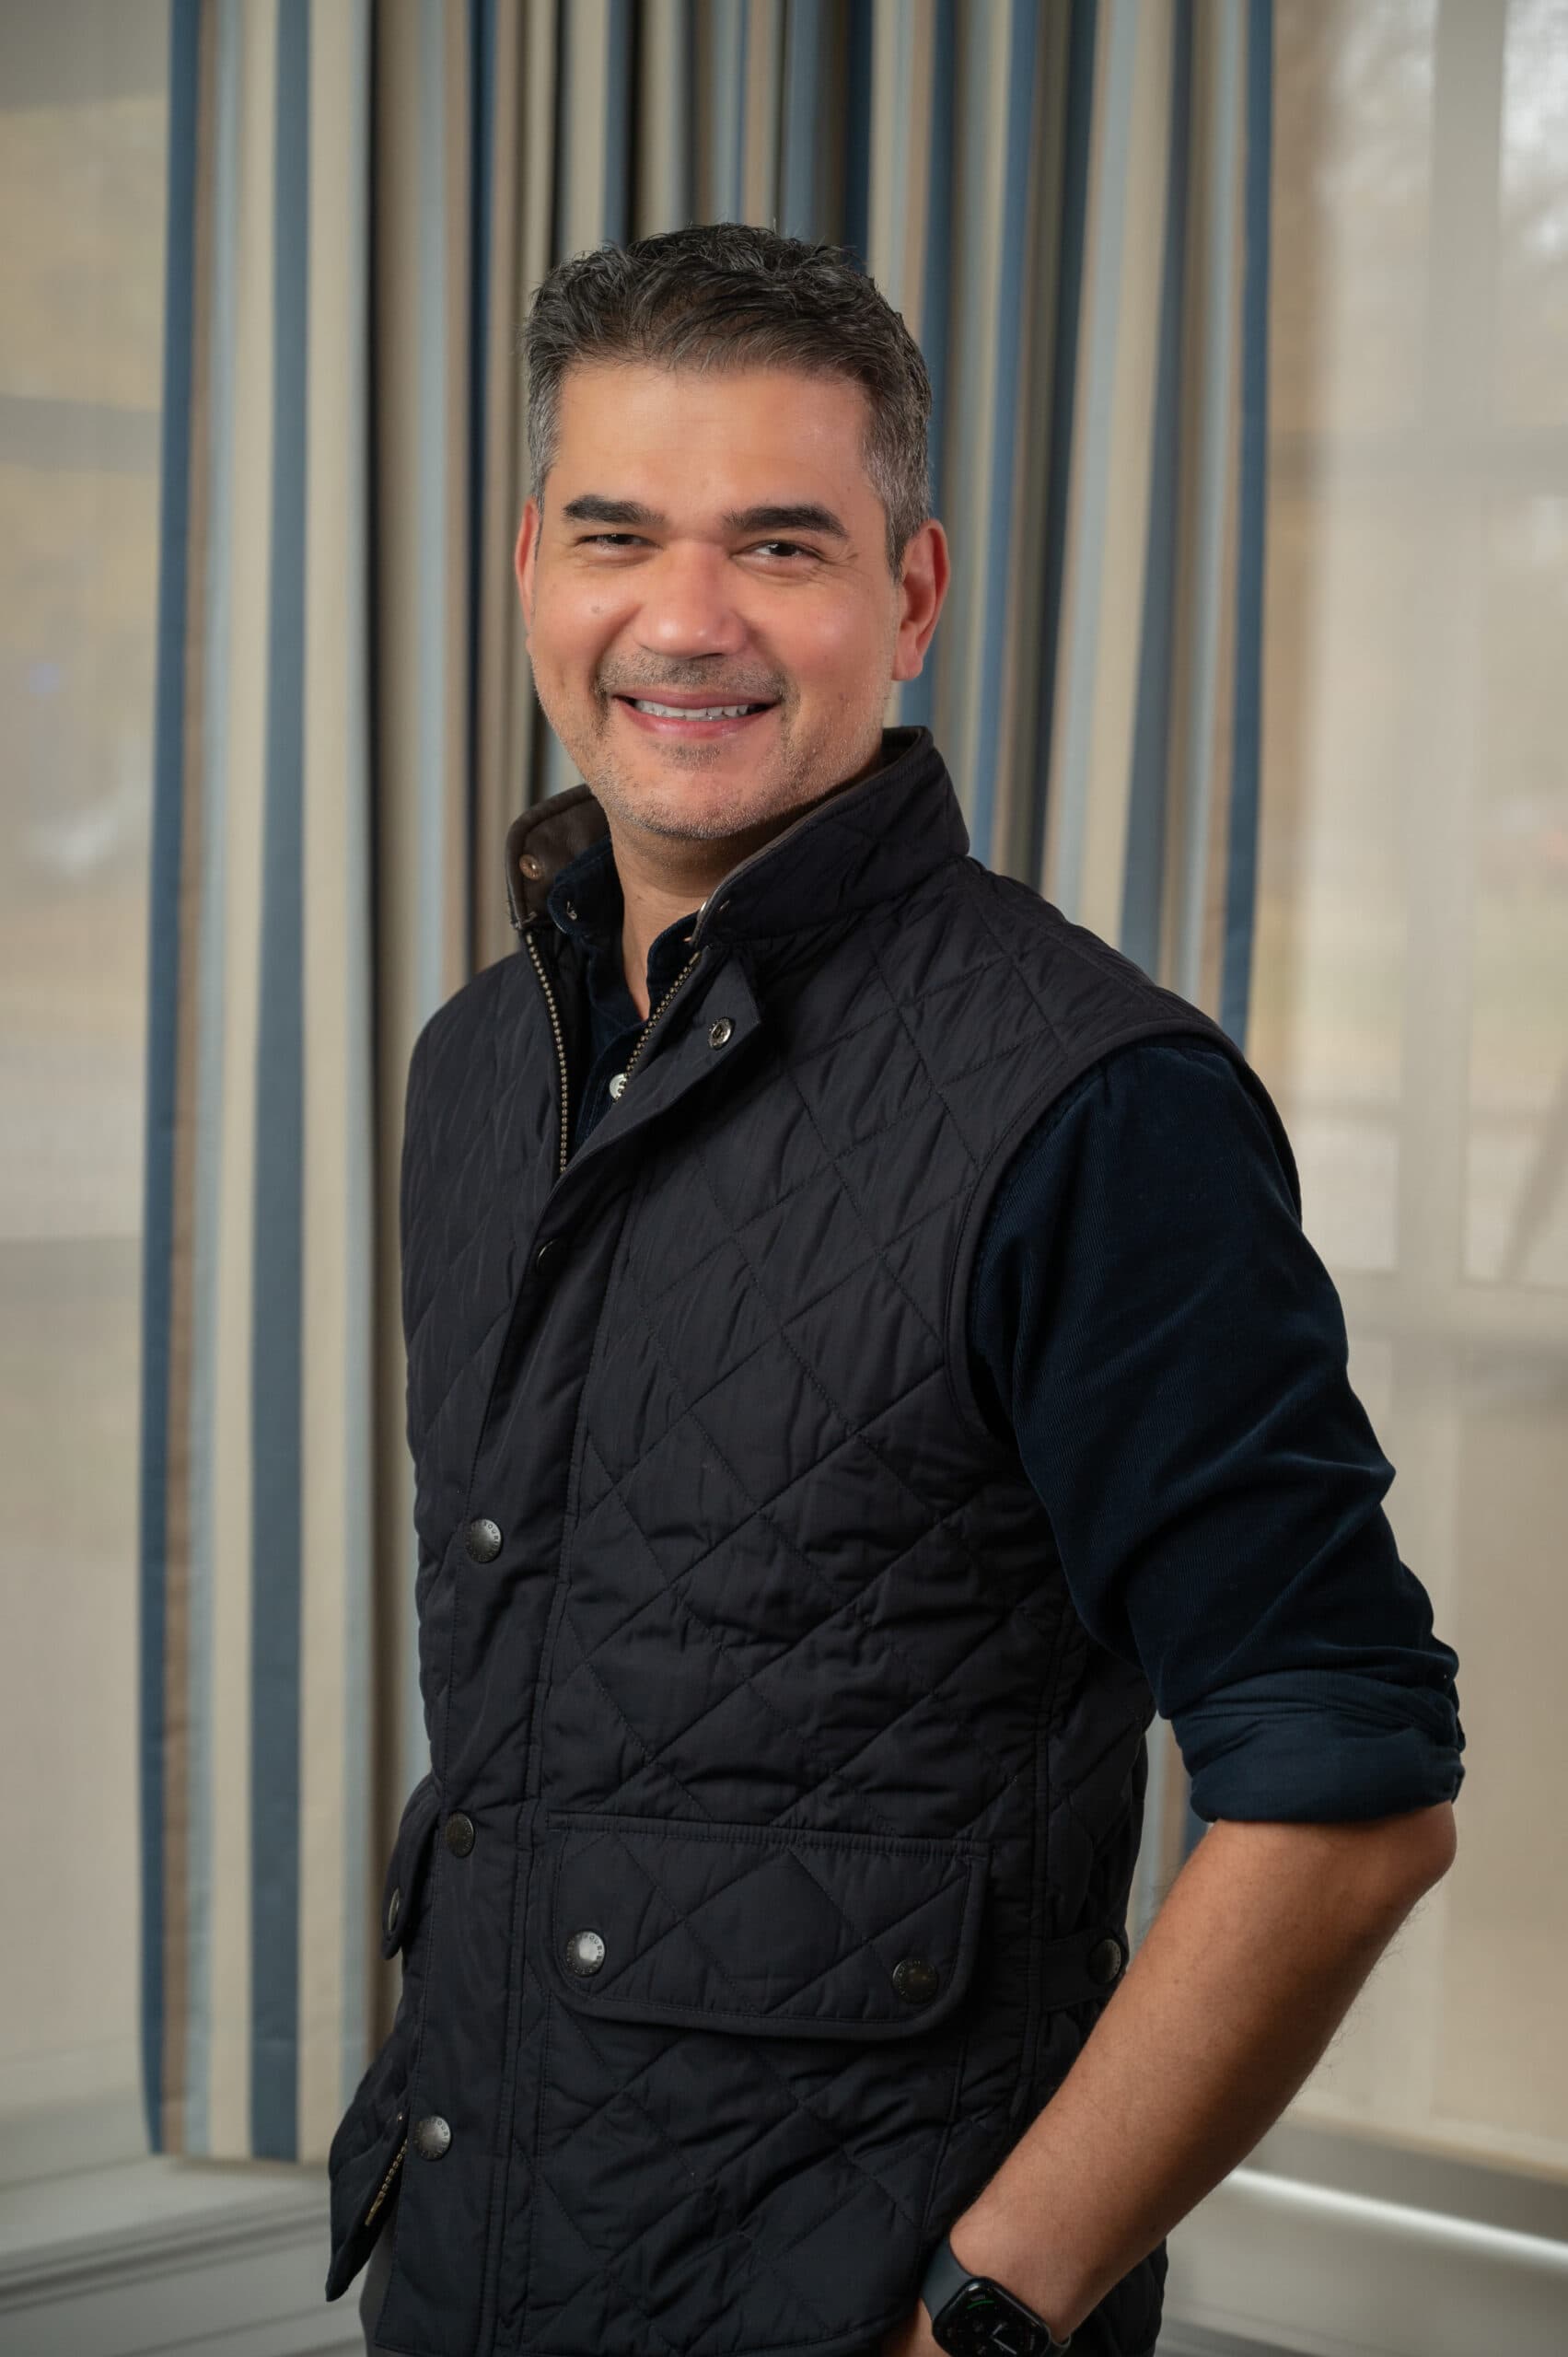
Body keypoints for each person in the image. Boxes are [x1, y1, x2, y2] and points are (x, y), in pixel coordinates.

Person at [331, 224, 1462, 2357]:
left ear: (910, 597)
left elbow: (1347, 1792)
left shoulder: (1095, 1104)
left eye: (781, 543)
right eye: (618, 534)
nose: (686, 619)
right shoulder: (476, 1068)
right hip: (474, 2273)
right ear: (528, 572)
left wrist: (983, 2320)